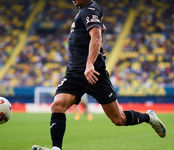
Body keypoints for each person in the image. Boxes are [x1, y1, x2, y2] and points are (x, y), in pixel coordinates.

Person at [32, 0, 166, 150]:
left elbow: (96, 36)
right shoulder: (85, 11)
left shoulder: (89, 9)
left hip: (94, 73)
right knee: (57, 105)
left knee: (118, 119)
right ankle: (56, 148)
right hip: (74, 73)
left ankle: (149, 117)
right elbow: (100, 29)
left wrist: (89, 64)